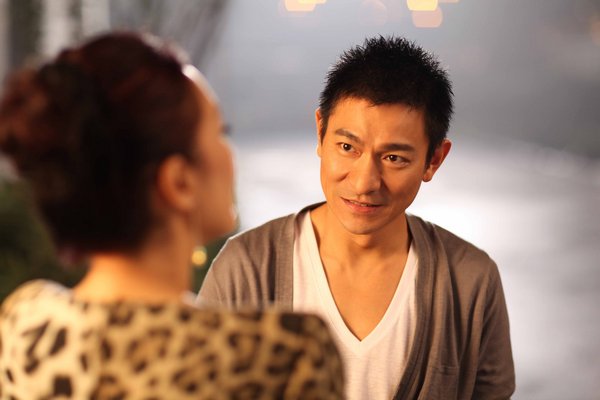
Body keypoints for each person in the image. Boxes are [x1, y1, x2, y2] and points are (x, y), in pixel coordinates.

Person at [0, 32, 344, 399]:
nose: (229, 154)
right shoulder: (282, 354)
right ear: (179, 182)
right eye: (220, 133)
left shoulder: (25, 324)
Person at [199, 36, 515, 399]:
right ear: (320, 132)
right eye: (347, 147)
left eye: (394, 158)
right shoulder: (246, 269)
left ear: (434, 160)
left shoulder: (471, 281)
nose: (365, 183)